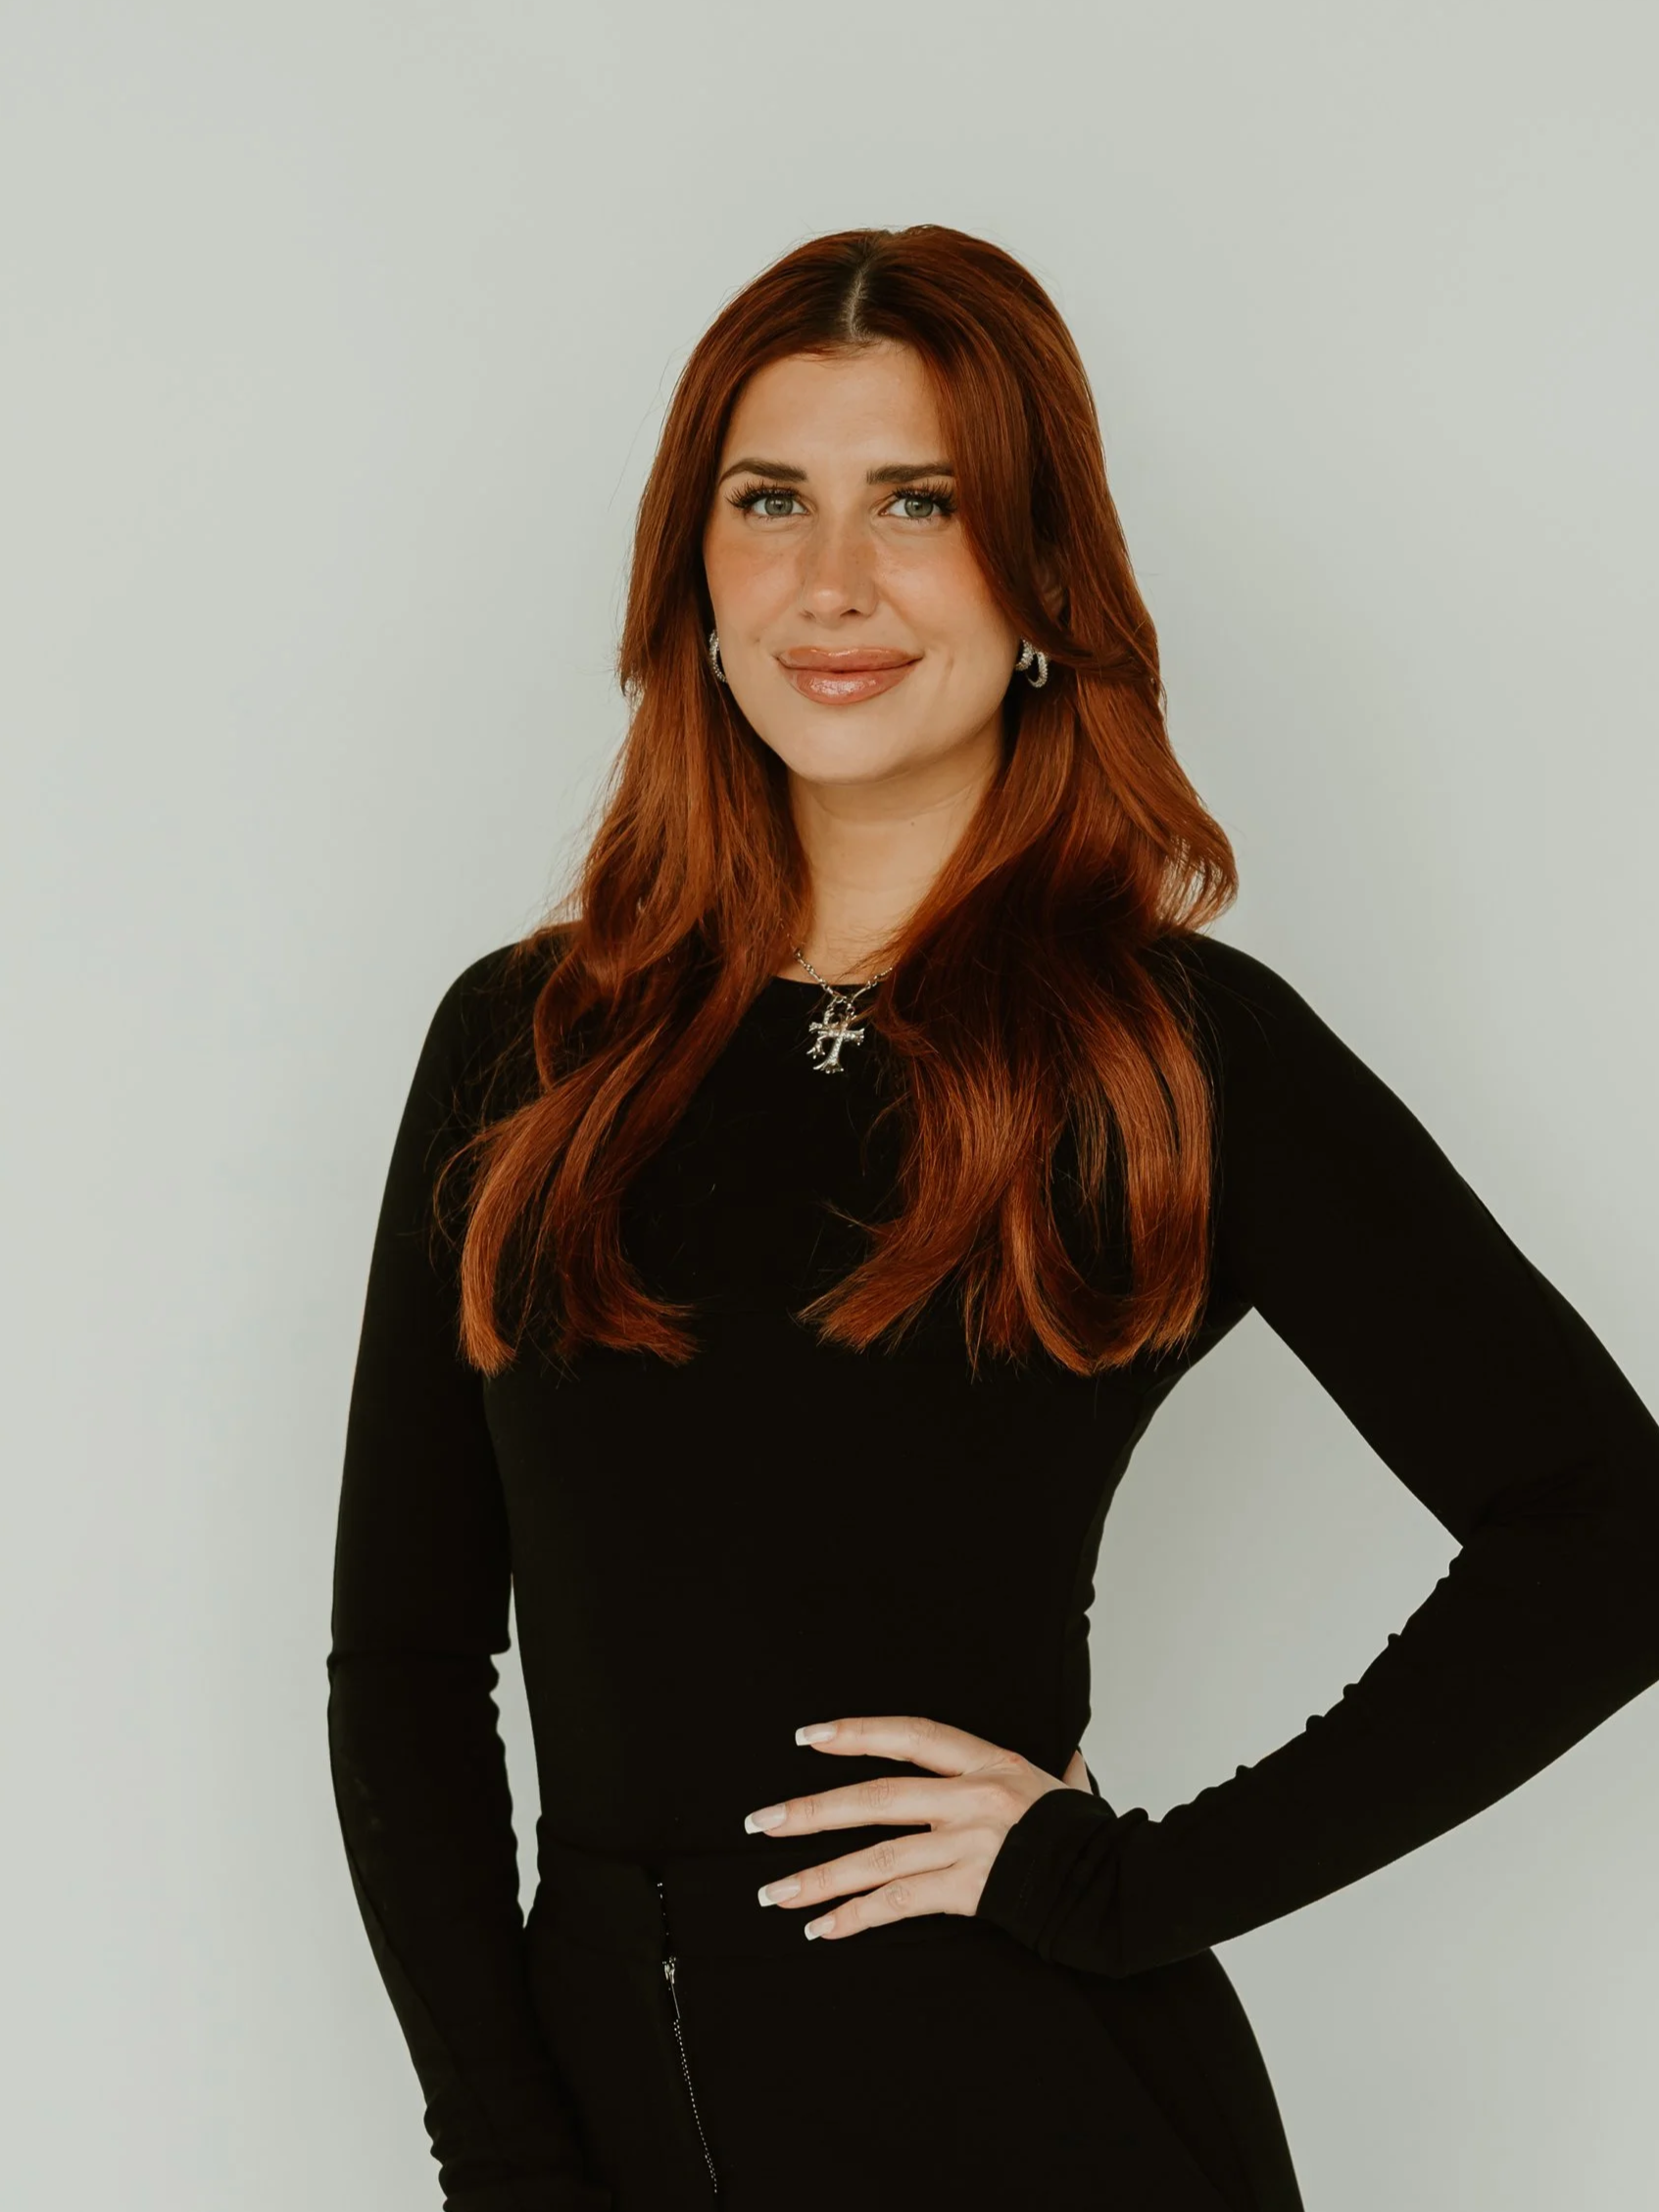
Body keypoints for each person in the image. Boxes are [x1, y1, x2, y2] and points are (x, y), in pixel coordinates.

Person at [324, 224, 1659, 2212]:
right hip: (615, 2135)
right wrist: (507, 2160)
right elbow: (409, 1660)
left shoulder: (1168, 1055)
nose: (833, 582)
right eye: (769, 500)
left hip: (1049, 2122)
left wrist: (1134, 1883)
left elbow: (1608, 1530)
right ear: (692, 574)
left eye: (919, 502)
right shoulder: (530, 1045)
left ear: (1041, 575)